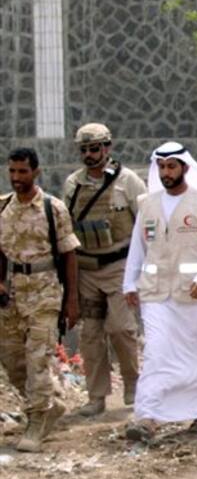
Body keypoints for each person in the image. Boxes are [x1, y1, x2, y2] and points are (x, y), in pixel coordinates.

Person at [122, 143, 197, 442]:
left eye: (172, 166)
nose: (166, 172)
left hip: (195, 294)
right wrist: (129, 283)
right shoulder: (147, 204)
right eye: (162, 167)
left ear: (185, 168)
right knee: (156, 351)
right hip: (156, 293)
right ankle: (147, 416)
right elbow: (138, 248)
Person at [63, 123, 147, 417]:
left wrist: (143, 269)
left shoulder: (128, 182)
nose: (89, 154)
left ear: (107, 148)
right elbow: (66, 228)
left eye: (95, 148)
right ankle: (96, 396)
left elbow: (146, 226)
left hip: (119, 267)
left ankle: (133, 385)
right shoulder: (73, 184)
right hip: (87, 268)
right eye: (84, 149)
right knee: (90, 336)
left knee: (122, 328)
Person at [0, 149, 81, 452]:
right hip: (12, 294)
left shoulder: (53, 208)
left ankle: (36, 422)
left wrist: (72, 301)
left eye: (23, 171)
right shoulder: (3, 207)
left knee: (38, 359)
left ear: (36, 172)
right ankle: (50, 404)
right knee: (13, 361)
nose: (17, 178)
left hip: (45, 294)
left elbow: (69, 254)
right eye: (13, 171)